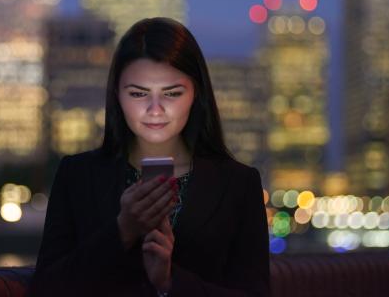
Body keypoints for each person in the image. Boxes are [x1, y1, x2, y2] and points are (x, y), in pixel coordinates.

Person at [30, 17, 270, 296]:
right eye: (138, 93)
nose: (155, 109)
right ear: (117, 96)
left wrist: (170, 282)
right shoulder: (78, 175)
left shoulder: (238, 184)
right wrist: (123, 229)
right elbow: (45, 288)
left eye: (172, 93)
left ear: (196, 94)